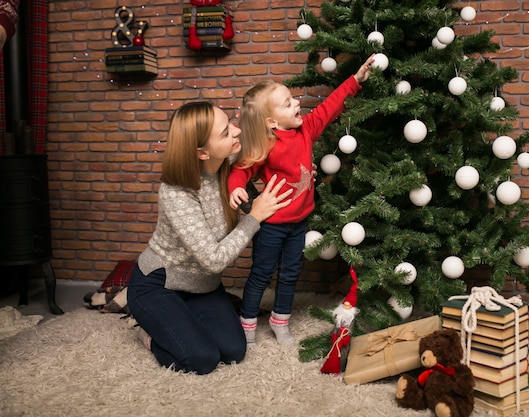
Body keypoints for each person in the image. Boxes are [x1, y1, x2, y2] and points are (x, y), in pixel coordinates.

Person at [127, 101, 293, 375]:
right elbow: (214, 260)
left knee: (233, 352)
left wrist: (299, 172)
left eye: (231, 124)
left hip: (204, 287)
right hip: (159, 285)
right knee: (201, 360)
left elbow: (272, 153)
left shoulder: (231, 166)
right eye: (226, 132)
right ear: (202, 152)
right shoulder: (176, 192)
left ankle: (181, 322)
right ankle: (148, 335)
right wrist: (254, 218)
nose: (236, 131)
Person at [228, 55, 375, 346]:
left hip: (298, 223)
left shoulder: (305, 129)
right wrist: (236, 188)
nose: (297, 104)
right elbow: (240, 170)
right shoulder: (266, 144)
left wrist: (354, 81)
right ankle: (247, 323)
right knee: (261, 273)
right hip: (270, 225)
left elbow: (328, 108)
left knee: (291, 273)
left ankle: (280, 320)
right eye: (287, 103)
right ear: (271, 121)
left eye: (293, 99)